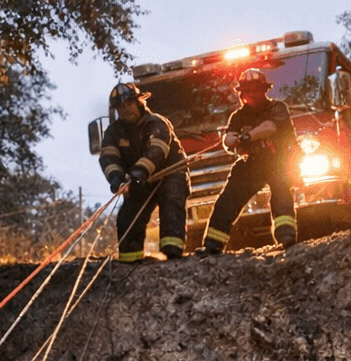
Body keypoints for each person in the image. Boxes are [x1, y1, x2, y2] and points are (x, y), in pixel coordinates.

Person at [197, 67, 298, 256]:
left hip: (278, 160)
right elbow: (228, 140)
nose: (251, 94)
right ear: (241, 93)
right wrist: (230, 140)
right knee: (227, 201)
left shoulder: (277, 108)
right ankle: (213, 245)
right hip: (252, 163)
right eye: (247, 90)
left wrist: (247, 137)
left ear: (264, 90)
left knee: (281, 193)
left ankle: (286, 237)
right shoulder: (238, 116)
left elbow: (269, 127)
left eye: (256, 89)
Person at [97, 82, 189, 261]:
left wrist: (139, 172)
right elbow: (109, 158)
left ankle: (173, 255)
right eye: (121, 107)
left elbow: (156, 151)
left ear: (139, 102)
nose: (126, 110)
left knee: (172, 200)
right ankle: (131, 258)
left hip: (169, 174)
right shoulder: (113, 133)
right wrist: (116, 178)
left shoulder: (157, 123)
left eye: (129, 104)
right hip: (138, 179)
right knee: (128, 216)